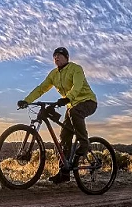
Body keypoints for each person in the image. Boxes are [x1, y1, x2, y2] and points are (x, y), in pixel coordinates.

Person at [17, 47, 98, 184]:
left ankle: (84, 144)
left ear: (67, 57)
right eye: (54, 56)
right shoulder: (53, 74)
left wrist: (67, 98)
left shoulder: (76, 68)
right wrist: (27, 100)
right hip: (71, 105)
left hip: (87, 101)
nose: (56, 58)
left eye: (60, 55)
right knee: (64, 137)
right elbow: (41, 88)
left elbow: (77, 86)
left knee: (73, 112)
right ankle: (64, 173)